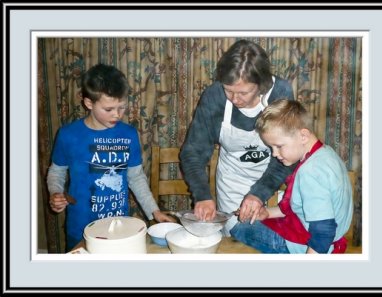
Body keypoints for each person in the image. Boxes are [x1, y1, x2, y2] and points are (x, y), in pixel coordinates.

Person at [179, 39, 295, 249]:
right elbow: (193, 153)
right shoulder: (215, 96)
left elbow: (287, 157)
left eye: (243, 92)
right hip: (233, 187)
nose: (235, 99)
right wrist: (202, 195)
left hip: (276, 184)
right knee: (242, 241)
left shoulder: (280, 94)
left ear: (261, 84)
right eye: (228, 90)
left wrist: (259, 194)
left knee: (280, 244)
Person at [47, 63, 174, 252]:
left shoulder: (129, 134)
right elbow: (56, 172)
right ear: (89, 103)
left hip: (120, 229)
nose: (117, 115)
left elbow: (136, 177)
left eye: (122, 107)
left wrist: (153, 211)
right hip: (80, 229)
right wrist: (55, 193)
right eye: (109, 109)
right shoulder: (68, 134)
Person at [244, 98, 352, 253]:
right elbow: (302, 205)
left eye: (279, 146)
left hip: (311, 246)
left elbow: (323, 233)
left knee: (240, 228)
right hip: (328, 241)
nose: (274, 154)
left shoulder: (311, 172)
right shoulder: (325, 153)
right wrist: (267, 213)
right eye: (271, 147)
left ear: (303, 136)